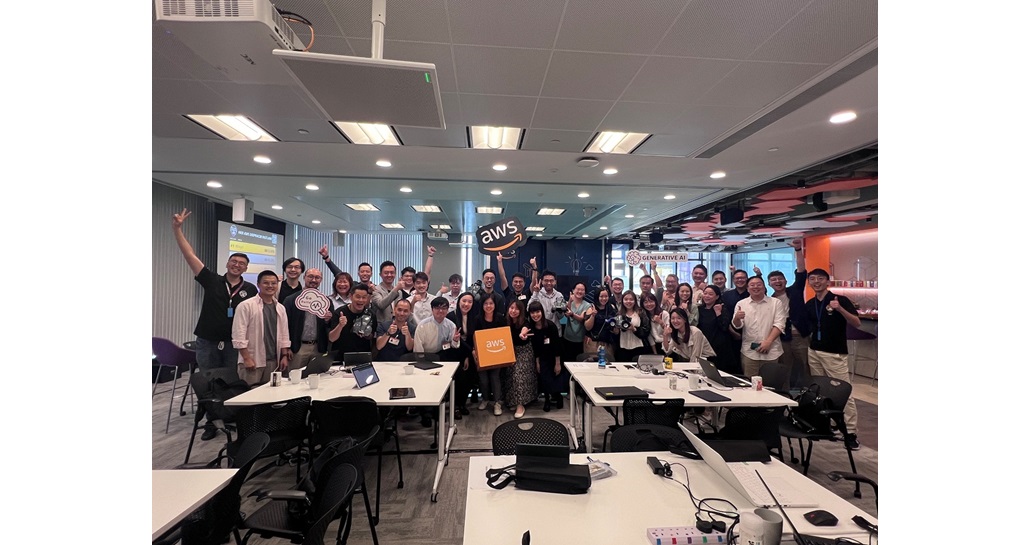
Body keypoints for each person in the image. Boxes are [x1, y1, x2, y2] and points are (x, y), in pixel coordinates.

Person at [171, 208, 258, 439]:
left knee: (231, 381)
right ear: (227, 263)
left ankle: (230, 417)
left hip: (234, 343)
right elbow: (189, 255)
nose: (237, 265)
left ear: (246, 268)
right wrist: (177, 228)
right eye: (234, 261)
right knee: (208, 381)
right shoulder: (211, 280)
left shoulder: (250, 289)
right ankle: (211, 421)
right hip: (208, 341)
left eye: (241, 263)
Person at [804, 268, 863, 450]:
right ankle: (827, 425)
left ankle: (850, 432)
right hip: (814, 351)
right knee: (821, 390)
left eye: (820, 278)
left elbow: (856, 322)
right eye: (812, 279)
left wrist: (840, 309)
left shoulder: (840, 300)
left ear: (827, 281)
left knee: (843, 391)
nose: (816, 282)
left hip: (834, 353)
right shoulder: (811, 303)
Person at [231, 270, 291, 386]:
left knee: (271, 393)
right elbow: (239, 335)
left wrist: (284, 356)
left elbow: (284, 334)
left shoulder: (280, 308)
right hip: (253, 360)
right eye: (266, 283)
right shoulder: (246, 306)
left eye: (273, 283)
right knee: (250, 393)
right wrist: (246, 358)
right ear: (258, 285)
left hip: (274, 361)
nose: (270, 286)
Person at [766, 239, 811, 389]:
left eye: (780, 278)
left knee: (805, 366)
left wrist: (798, 250)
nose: (777, 281)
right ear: (769, 284)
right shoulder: (770, 300)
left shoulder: (795, 290)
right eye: (773, 280)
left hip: (800, 336)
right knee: (785, 368)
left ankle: (808, 393)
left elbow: (801, 271)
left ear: (785, 280)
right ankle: (785, 393)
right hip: (783, 338)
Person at [730, 276, 787, 378]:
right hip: (749, 351)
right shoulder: (741, 303)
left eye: (759, 284)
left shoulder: (775, 302)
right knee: (750, 382)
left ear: (764, 287)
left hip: (772, 350)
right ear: (748, 289)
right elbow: (737, 326)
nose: (755, 287)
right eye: (752, 285)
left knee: (770, 383)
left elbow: (780, 324)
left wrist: (768, 342)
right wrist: (737, 318)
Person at [283, 268, 333, 372]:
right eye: (310, 276)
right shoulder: (291, 300)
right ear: (304, 277)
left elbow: (330, 327)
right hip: (298, 348)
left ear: (321, 280)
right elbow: (284, 326)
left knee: (317, 378)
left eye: (317, 277)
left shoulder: (326, 301)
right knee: (295, 378)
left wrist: (327, 320)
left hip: (318, 348)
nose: (314, 280)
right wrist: (286, 348)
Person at [471, 293, 507, 413]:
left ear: (495, 305)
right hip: (482, 355)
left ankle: (497, 403)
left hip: (497, 353)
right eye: (486, 303)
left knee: (495, 377)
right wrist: (474, 352)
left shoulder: (500, 318)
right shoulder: (477, 319)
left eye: (491, 303)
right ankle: (485, 399)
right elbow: (474, 337)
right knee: (483, 380)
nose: (488, 306)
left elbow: (505, 336)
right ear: (482, 305)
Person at [529, 301, 565, 412]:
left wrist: (557, 363)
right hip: (542, 357)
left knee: (555, 378)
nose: (535, 315)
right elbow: (535, 347)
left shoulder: (550, 326)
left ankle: (558, 397)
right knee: (544, 380)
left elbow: (557, 345)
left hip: (554, 357)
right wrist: (537, 362)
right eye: (532, 313)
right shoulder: (532, 328)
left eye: (537, 312)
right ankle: (547, 400)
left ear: (542, 312)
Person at [446, 292, 477, 419]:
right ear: (458, 302)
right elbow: (457, 339)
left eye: (470, 302)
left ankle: (462, 403)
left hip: (469, 353)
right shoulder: (451, 316)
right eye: (464, 301)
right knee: (458, 380)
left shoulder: (474, 316)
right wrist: (468, 353)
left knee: (469, 379)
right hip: (455, 353)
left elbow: (473, 337)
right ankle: (455, 407)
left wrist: (468, 356)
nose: (466, 304)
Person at [505, 300, 537, 418]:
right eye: (511, 308)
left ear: (521, 311)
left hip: (524, 351)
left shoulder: (525, 321)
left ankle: (520, 404)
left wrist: (522, 334)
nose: (513, 311)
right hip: (509, 351)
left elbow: (525, 329)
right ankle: (513, 400)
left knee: (518, 375)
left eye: (517, 309)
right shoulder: (505, 321)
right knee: (510, 375)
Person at [328, 283, 378, 356]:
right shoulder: (339, 312)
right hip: (341, 356)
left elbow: (372, 337)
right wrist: (340, 325)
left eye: (364, 297)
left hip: (362, 355)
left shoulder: (370, 314)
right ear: (351, 297)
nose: (361, 300)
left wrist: (366, 334)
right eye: (358, 297)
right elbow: (331, 338)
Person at [697, 286, 737, 373]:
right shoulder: (699, 309)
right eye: (705, 293)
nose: (707, 296)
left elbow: (724, 327)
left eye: (710, 294)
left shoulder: (722, 308)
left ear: (717, 296)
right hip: (705, 345)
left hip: (720, 347)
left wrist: (718, 313)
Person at [613, 291, 651, 362]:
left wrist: (634, 329)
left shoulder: (641, 313)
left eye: (631, 299)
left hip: (639, 347)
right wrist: (616, 331)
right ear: (622, 301)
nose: (628, 301)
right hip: (622, 347)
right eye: (626, 299)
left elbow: (646, 331)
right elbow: (616, 335)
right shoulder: (618, 314)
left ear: (635, 301)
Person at [561, 282, 592, 362]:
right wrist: (570, 301)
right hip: (567, 338)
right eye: (578, 289)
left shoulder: (587, 305)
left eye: (582, 290)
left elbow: (581, 318)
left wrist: (572, 314)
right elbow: (567, 314)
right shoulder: (568, 303)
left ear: (585, 293)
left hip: (580, 339)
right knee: (567, 361)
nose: (580, 291)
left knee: (579, 362)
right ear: (573, 290)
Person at [529, 268, 566, 332]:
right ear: (542, 281)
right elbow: (528, 309)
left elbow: (560, 317)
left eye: (551, 280)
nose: (549, 283)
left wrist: (560, 311)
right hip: (540, 329)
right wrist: (535, 293)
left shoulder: (559, 295)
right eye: (546, 280)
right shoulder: (537, 294)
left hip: (555, 330)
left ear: (555, 282)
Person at [583, 287, 616, 356]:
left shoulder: (611, 307)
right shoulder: (591, 308)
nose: (604, 298)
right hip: (593, 342)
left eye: (606, 296)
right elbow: (588, 328)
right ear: (597, 297)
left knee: (608, 361)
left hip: (608, 343)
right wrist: (593, 315)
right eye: (601, 296)